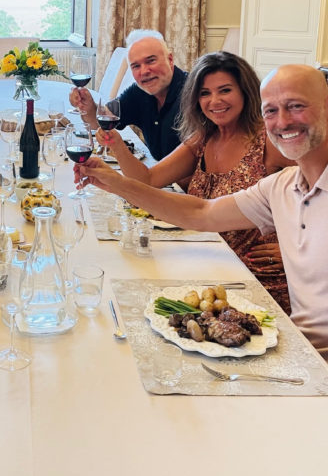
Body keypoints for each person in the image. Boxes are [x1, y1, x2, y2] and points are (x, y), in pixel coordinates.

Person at [74, 64, 328, 357]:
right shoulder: (281, 187)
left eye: (296, 106)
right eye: (271, 111)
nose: (282, 122)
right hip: (295, 345)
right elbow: (201, 213)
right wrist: (114, 183)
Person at [97, 51, 293, 311]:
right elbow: (148, 179)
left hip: (255, 278)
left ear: (246, 92)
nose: (215, 101)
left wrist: (297, 250)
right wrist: (118, 146)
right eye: (204, 93)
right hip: (209, 261)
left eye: (225, 90)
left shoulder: (270, 141)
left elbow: (319, 191)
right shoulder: (204, 137)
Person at [70, 30, 187, 159]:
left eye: (151, 61)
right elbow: (101, 121)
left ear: (170, 60)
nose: (144, 71)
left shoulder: (192, 94)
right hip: (157, 173)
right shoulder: (139, 91)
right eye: (136, 66)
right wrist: (89, 107)